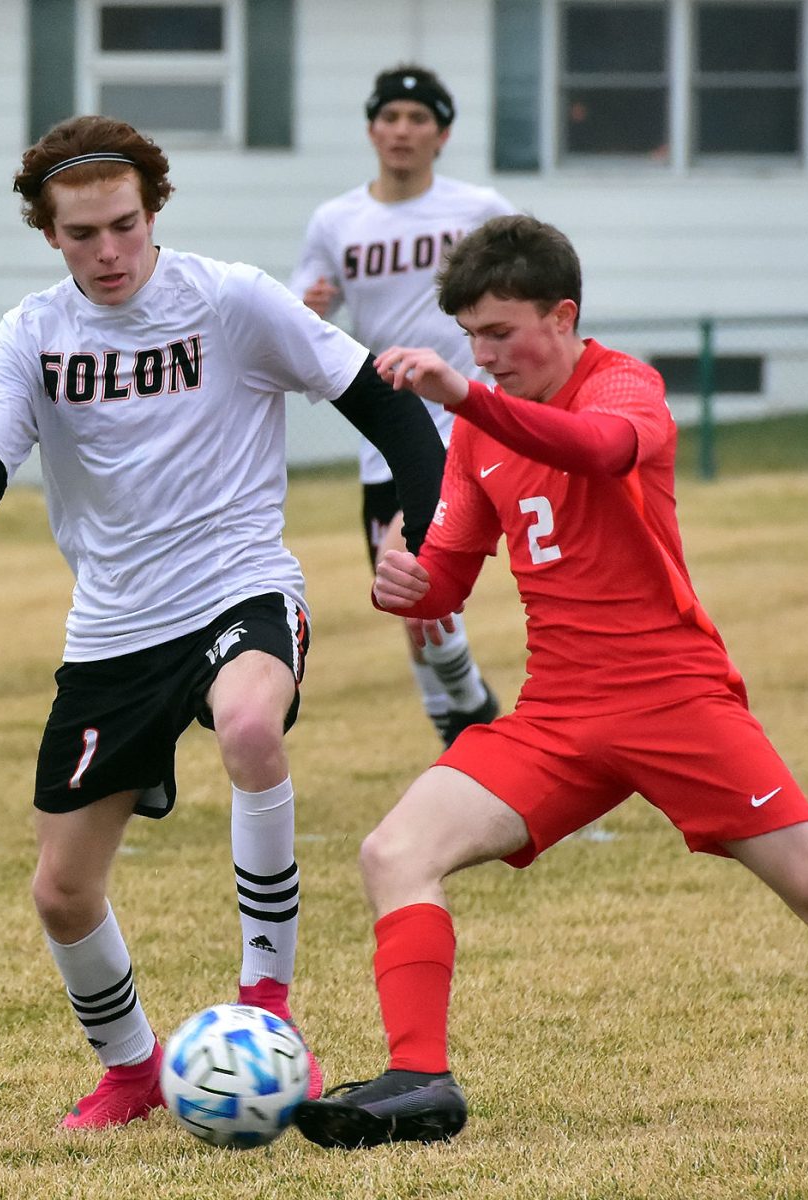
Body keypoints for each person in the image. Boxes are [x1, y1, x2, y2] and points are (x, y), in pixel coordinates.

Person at [293, 214, 808, 1150]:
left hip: (676, 699)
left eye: (500, 334)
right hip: (557, 715)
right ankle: (420, 1081)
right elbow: (451, 576)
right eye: (470, 339)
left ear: (562, 314)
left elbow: (599, 451)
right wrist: (403, 583)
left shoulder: (624, 385)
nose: (485, 355)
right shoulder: (474, 433)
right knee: (393, 853)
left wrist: (464, 396)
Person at [0, 114, 445, 1131]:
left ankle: (266, 1007)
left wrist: (421, 536)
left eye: (124, 226)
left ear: (153, 210)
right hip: (113, 631)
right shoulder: (33, 334)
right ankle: (130, 1068)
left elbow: (388, 411)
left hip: (238, 585)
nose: (109, 253)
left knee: (250, 727)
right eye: (82, 236)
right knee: (62, 893)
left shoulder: (234, 300)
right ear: (49, 236)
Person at [291, 64, 514, 748]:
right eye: (389, 117)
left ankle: (468, 714)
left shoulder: (478, 210)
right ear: (370, 129)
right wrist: (312, 308)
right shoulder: (336, 220)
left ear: (442, 134)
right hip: (384, 429)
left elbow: (533, 286)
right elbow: (297, 314)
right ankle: (466, 710)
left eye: (418, 119)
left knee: (414, 573)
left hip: (464, 420)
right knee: (408, 598)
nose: (401, 130)